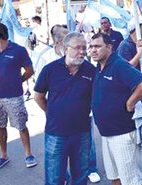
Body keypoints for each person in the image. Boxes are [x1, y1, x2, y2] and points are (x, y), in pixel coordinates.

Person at [34, 32, 96, 185]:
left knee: (81, 176)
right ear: (65, 48)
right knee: (54, 178)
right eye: (77, 48)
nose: (82, 51)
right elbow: (38, 96)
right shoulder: (50, 69)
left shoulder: (90, 70)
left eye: (84, 48)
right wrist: (52, 113)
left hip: (82, 132)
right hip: (56, 133)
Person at [89, 33, 142, 185]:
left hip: (123, 133)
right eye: (91, 47)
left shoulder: (118, 65)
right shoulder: (99, 67)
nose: (93, 50)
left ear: (109, 47)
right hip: (107, 133)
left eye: (97, 46)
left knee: (132, 181)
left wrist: (130, 103)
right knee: (115, 177)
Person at [0, 23, 37, 170]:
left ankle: (28, 154)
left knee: (21, 125)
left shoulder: (18, 50)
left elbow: (30, 70)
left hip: (14, 96)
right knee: (0, 126)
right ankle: (3, 156)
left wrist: (18, 80)